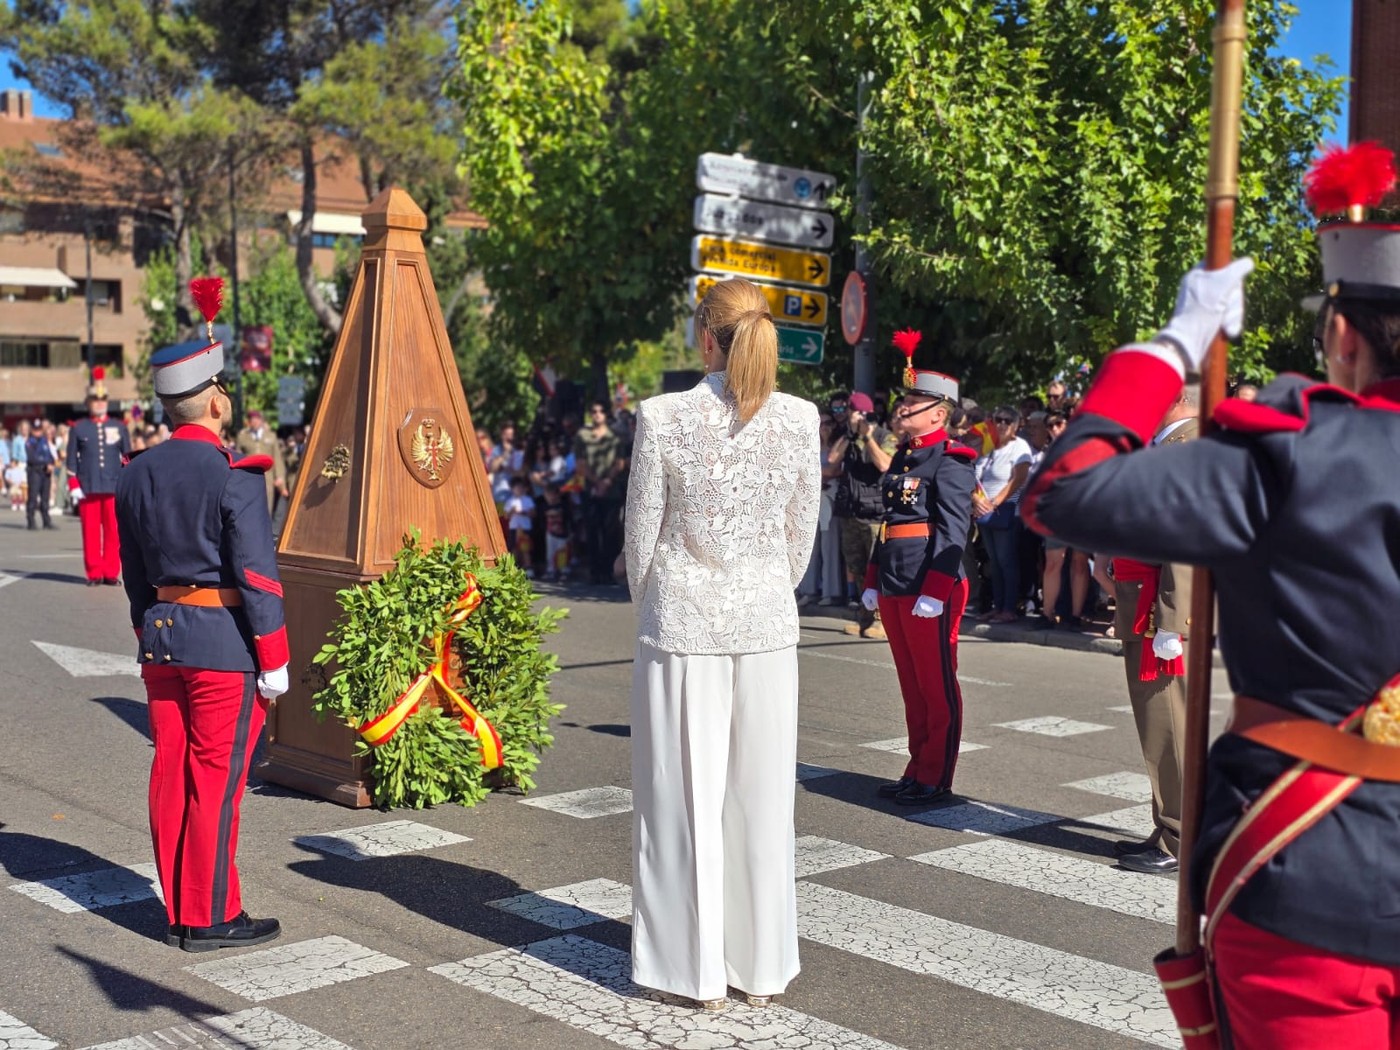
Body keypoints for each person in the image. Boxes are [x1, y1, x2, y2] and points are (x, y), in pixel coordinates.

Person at [1022, 155, 1400, 1044]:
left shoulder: (1290, 453)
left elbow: (1063, 496)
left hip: (1309, 877)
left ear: (1344, 335)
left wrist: (1176, 344)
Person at [624, 276, 819, 1012]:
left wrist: (656, 605)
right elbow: (801, 535)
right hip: (767, 621)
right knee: (762, 801)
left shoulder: (663, 415)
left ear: (705, 337)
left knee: (681, 799)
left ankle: (691, 973)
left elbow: (641, 534)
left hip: (684, 619)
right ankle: (760, 969)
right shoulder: (801, 419)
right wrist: (765, 586)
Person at [116, 278, 289, 953]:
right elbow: (256, 576)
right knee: (215, 782)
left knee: (172, 774)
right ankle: (211, 914)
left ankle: (181, 907)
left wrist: (143, 629)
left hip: (160, 639)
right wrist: (272, 660)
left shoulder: (136, 472)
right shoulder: (235, 473)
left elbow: (135, 575)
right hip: (223, 645)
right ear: (216, 398)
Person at [859, 346, 977, 806]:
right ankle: (915, 767)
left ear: (939, 414)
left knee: (936, 682)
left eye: (913, 404)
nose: (901, 409)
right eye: (902, 402)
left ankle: (935, 776)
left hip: (930, 583)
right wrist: (872, 578)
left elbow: (953, 530)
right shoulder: (906, 458)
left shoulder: (952, 458)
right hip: (895, 579)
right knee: (911, 684)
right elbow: (888, 522)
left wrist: (936, 588)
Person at [1106, 385, 1199, 876]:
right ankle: (1169, 825)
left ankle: (1180, 840)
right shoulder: (1167, 445)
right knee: (1159, 727)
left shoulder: (1187, 445)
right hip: (1144, 602)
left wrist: (1172, 620)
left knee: (1169, 729)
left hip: (1159, 611)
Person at [829, 390, 897, 637]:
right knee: (856, 566)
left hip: (875, 513)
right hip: (851, 510)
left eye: (855, 413)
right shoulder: (847, 437)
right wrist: (849, 435)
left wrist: (868, 437)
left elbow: (885, 465)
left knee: (876, 568)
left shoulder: (883, 436)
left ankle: (882, 619)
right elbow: (832, 458)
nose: (852, 417)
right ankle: (865, 616)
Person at [67, 369, 130, 585]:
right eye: (95, 400)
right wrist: (74, 484)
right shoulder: (79, 428)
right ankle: (94, 572)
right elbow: (71, 460)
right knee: (91, 532)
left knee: (113, 532)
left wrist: (127, 483)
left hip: (113, 485)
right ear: (88, 403)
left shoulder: (119, 427)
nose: (100, 403)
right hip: (89, 485)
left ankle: (111, 572)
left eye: (103, 399)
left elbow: (127, 457)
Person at [972, 406, 1031, 622]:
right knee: (993, 562)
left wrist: (995, 501)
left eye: (1008, 421)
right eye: (998, 420)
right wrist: (976, 500)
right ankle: (997, 607)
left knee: (1007, 560)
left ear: (1016, 426)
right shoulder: (989, 447)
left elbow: (1019, 478)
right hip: (985, 511)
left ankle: (1009, 609)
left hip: (1006, 511)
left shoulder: (1020, 446)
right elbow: (974, 475)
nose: (1002, 424)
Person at [575, 401, 625, 583]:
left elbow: (619, 463)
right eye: (593, 411)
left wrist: (607, 481)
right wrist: (597, 483)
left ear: (606, 414)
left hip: (611, 491)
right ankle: (595, 572)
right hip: (591, 491)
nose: (597, 414)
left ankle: (609, 571)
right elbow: (580, 464)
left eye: (600, 411)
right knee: (592, 530)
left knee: (611, 531)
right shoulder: (583, 436)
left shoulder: (615, 436)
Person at [234, 410, 288, 515]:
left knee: (267, 507)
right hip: (249, 477)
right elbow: (238, 457)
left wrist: (279, 476)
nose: (254, 422)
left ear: (261, 420)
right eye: (251, 420)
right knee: (250, 507)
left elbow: (277, 456)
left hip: (268, 477)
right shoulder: (242, 437)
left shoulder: (271, 436)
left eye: (256, 419)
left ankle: (266, 530)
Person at [25, 420, 57, 530]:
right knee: (33, 497)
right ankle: (31, 520)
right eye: (35, 430)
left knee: (45, 497)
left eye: (39, 430)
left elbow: (49, 454)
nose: (38, 432)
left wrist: (52, 463)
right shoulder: (30, 442)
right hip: (35, 471)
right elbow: (32, 458)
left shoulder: (44, 441)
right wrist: (45, 463)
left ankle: (46, 520)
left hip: (45, 472)